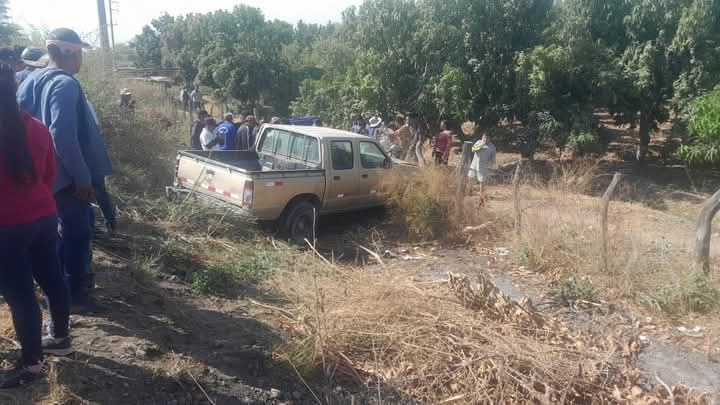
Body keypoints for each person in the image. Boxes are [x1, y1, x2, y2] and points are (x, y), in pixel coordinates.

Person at [17, 28, 113, 309]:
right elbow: (62, 135)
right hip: (66, 177)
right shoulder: (66, 84)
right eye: (80, 52)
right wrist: (83, 178)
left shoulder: (29, 81)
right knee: (77, 234)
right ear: (70, 53)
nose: (81, 59)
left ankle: (52, 290)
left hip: (39, 177)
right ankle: (74, 294)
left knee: (54, 235)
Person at [0, 64, 73, 388]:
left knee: (20, 295)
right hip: (44, 215)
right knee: (52, 278)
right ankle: (60, 338)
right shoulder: (38, 127)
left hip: (7, 226)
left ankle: (31, 366)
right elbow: (48, 174)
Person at [468, 133, 497, 204]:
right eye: (484, 137)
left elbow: (493, 159)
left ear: (490, 138)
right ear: (482, 137)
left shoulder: (492, 147)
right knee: (470, 177)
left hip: (483, 166)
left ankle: (481, 196)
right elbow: (473, 149)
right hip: (474, 164)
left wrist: (491, 167)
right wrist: (481, 145)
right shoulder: (478, 142)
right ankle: (469, 191)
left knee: (482, 181)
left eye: (487, 138)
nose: (485, 139)